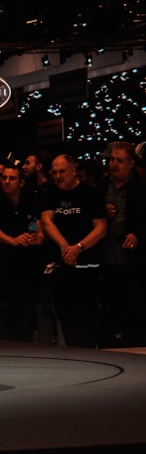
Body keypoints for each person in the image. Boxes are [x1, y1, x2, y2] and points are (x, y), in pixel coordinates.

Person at [40, 154, 108, 347]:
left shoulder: (90, 193)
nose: (58, 176)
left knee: (87, 312)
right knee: (64, 313)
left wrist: (78, 247)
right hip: (61, 262)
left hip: (86, 262)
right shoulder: (51, 193)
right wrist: (64, 246)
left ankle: (92, 349)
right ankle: (73, 350)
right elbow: (46, 221)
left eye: (62, 172)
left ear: (73, 171)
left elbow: (101, 228)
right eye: (54, 172)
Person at [0, 165, 44, 341]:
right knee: (1, 315)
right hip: (2, 266)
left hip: (27, 267)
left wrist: (38, 237)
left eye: (12, 178)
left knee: (26, 314)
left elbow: (39, 224)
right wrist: (13, 240)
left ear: (22, 182)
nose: (6, 181)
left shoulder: (31, 200)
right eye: (4, 178)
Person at [98, 141, 146, 346]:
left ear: (131, 164)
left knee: (134, 307)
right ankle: (110, 349)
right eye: (111, 160)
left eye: (119, 160)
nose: (113, 164)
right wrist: (102, 212)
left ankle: (135, 347)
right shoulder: (101, 186)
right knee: (109, 307)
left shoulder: (142, 187)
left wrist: (138, 235)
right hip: (107, 257)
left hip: (134, 260)